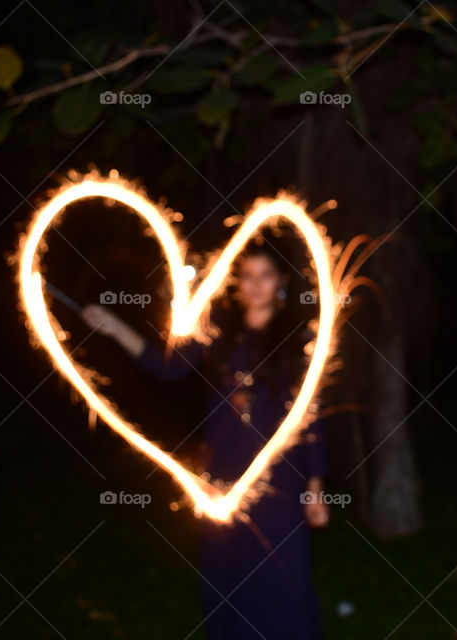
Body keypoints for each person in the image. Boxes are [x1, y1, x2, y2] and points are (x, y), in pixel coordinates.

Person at [80, 238, 330, 640]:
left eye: (265, 275)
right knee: (228, 572)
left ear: (281, 280)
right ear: (237, 282)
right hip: (223, 472)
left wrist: (316, 485)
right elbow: (167, 366)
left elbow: (311, 414)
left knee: (283, 576)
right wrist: (115, 328)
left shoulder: (300, 341)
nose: (256, 285)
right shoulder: (219, 331)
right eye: (247, 276)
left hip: (281, 481)